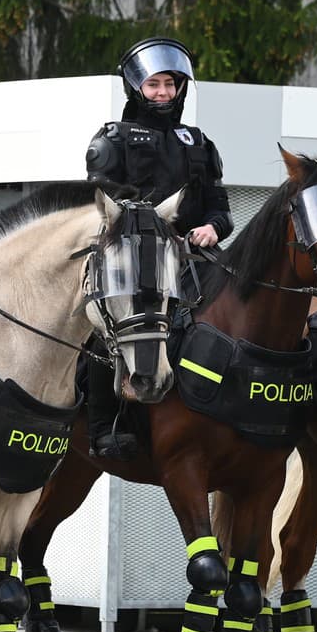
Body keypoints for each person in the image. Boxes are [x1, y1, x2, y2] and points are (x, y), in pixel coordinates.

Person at [82, 36, 233, 459]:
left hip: (193, 254)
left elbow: (220, 206)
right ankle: (103, 426)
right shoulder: (111, 140)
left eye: (171, 84)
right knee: (109, 326)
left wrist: (212, 228)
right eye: (154, 85)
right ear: (136, 87)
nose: (164, 93)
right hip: (132, 256)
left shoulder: (198, 142)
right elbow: (105, 205)